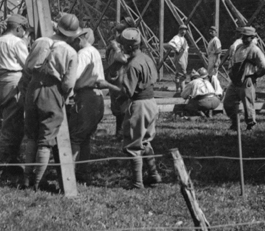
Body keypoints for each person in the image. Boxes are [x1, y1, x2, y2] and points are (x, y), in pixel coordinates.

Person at [18, 13, 82, 191]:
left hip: (33, 87)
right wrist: (62, 95)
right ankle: (38, 182)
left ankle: (26, 178)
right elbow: (69, 82)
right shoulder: (70, 52)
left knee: (32, 135)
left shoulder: (40, 42)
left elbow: (27, 66)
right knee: (46, 139)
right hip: (53, 91)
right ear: (72, 34)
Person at [111, 28, 163, 188]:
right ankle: (154, 175)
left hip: (139, 104)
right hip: (151, 103)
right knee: (146, 141)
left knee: (133, 144)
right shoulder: (146, 58)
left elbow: (127, 91)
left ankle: (137, 182)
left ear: (128, 47)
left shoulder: (133, 65)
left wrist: (108, 85)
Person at [0, 14, 31, 180]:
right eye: (24, 30)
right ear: (18, 28)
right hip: (13, 81)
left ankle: (11, 162)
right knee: (10, 125)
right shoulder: (16, 42)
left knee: (12, 123)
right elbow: (27, 64)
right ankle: (0, 168)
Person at [67, 28, 113, 162]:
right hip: (96, 95)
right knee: (85, 137)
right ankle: (83, 172)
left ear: (80, 39)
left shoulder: (82, 54)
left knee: (75, 137)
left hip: (85, 95)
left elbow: (73, 77)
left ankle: (71, 172)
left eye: (74, 41)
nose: (73, 45)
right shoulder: (94, 51)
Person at [222, 26, 265, 132]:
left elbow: (264, 67)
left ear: (252, 37)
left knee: (248, 104)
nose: (243, 38)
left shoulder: (255, 50)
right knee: (228, 103)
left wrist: (255, 76)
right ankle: (235, 122)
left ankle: (250, 126)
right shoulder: (239, 47)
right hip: (235, 79)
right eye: (243, 36)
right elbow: (233, 61)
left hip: (247, 79)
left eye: (246, 36)